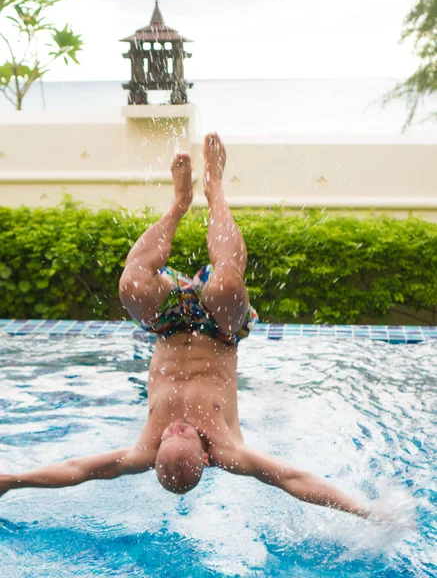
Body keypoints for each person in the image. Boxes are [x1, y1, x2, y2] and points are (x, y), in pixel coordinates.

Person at [0, 134, 369, 520]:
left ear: (155, 452)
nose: (175, 426)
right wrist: (365, 511)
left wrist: (12, 480)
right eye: (185, 435)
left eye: (166, 437)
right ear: (207, 457)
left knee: (130, 285)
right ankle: (214, 189)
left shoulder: (142, 451)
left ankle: (179, 203)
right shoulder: (229, 450)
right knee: (225, 284)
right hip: (223, 329)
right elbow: (293, 479)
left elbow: (78, 470)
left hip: (167, 324)